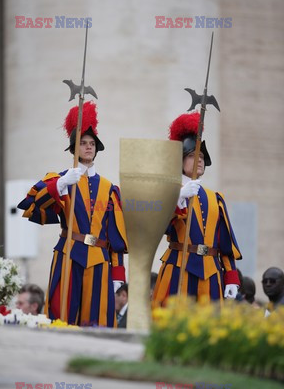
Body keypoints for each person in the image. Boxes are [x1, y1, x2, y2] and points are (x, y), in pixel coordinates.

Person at [18, 102, 128, 327]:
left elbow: (116, 237)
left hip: (99, 257)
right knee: (63, 315)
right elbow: (32, 204)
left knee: (97, 320)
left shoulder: (109, 189)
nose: (88, 147)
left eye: (91, 144)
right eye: (83, 143)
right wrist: (59, 184)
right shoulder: (60, 179)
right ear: (73, 149)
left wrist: (118, 274)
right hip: (69, 253)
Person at [152, 112, 242, 305]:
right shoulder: (168, 191)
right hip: (178, 266)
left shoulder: (215, 198)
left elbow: (225, 242)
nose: (199, 160)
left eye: (201, 156)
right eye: (192, 155)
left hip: (210, 271)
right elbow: (158, 227)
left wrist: (231, 276)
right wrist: (179, 197)